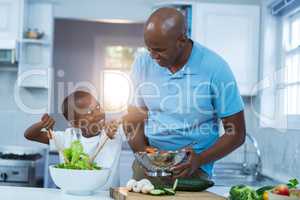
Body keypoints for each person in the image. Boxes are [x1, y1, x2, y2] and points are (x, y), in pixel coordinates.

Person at [123, 7, 246, 183]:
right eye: (149, 48)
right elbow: (133, 120)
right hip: (147, 167)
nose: (152, 56)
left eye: (159, 50)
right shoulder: (143, 63)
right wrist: (145, 156)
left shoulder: (215, 68)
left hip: (193, 170)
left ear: (182, 39)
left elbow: (237, 133)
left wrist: (200, 159)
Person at [24, 90, 125, 189]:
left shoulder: (114, 132)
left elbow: (133, 118)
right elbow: (30, 135)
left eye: (98, 107)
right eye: (89, 112)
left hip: (107, 196)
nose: (98, 114)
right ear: (76, 123)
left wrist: (117, 123)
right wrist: (43, 124)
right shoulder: (67, 137)